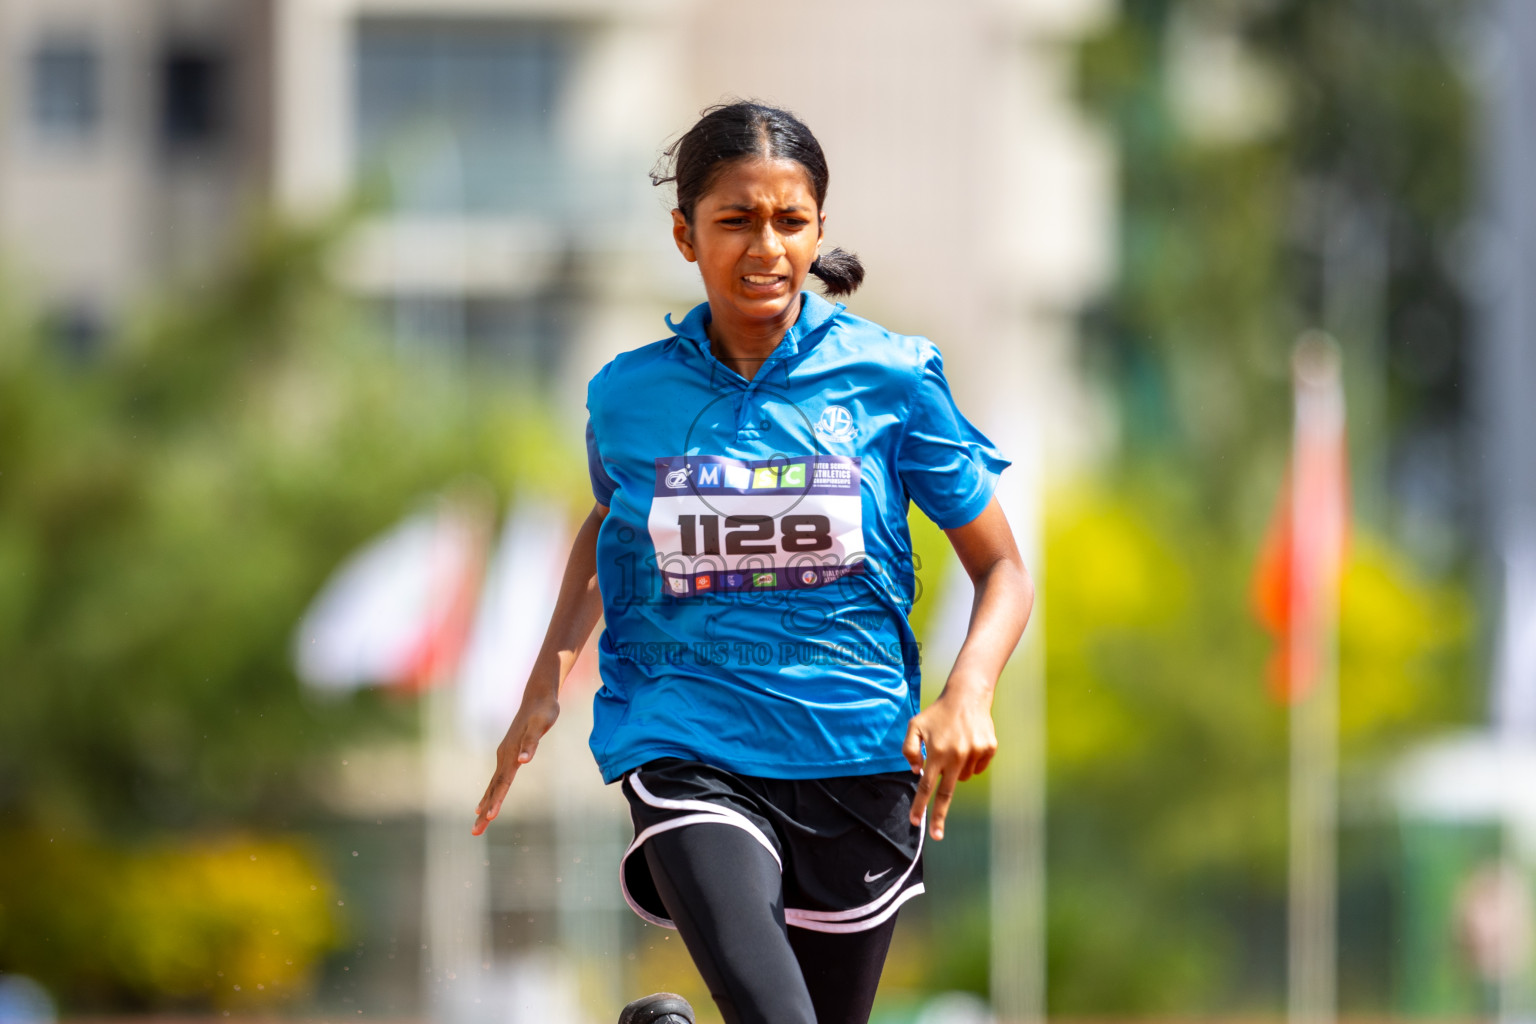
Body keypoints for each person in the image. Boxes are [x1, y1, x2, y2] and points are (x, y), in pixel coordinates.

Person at [472, 101, 1034, 1024]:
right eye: (735, 220)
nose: (763, 245)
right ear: (685, 234)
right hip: (685, 738)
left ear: (818, 232)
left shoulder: (893, 378)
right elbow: (609, 523)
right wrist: (546, 680)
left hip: (857, 751)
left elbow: (1003, 569)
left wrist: (967, 692)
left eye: (789, 220)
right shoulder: (626, 394)